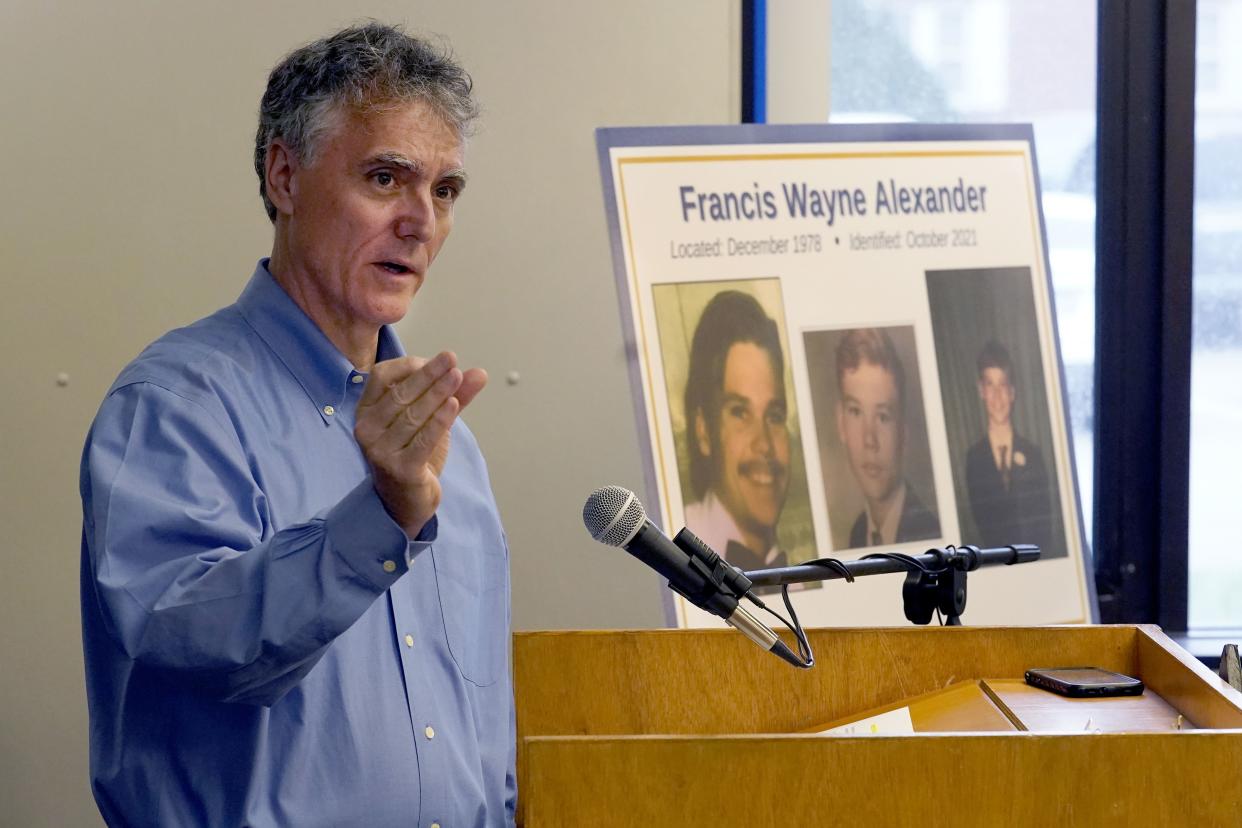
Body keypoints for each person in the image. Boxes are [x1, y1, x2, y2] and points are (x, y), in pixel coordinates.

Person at [78, 24, 515, 827]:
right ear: (284, 175)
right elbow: (189, 648)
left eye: (444, 190)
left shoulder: (449, 444)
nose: (421, 221)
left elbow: (480, 737)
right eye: (387, 179)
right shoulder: (174, 407)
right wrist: (380, 518)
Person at [682, 290, 791, 572]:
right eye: (740, 413)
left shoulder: (800, 573)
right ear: (704, 431)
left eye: (775, 415)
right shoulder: (673, 550)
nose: (765, 445)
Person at [834, 328, 940, 548]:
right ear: (841, 422)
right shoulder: (857, 534)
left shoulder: (930, 531)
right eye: (855, 412)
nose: (869, 440)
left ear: (902, 431)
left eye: (883, 417)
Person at [964, 340, 1054, 552]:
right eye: (990, 385)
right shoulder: (974, 459)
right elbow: (980, 522)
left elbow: (1044, 522)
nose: (997, 396)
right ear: (981, 391)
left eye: (1002, 385)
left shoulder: (1033, 455)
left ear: (1012, 393)